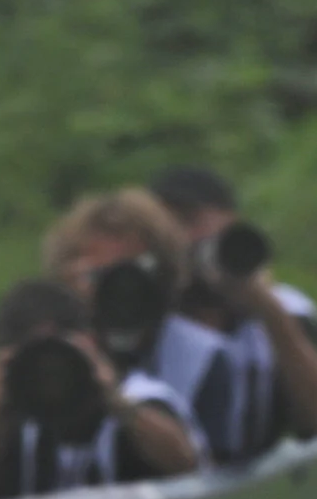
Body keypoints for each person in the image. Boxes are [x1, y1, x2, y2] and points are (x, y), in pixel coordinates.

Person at [148, 164, 317, 461]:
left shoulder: (287, 309)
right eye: (168, 228)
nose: (183, 239)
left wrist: (263, 305)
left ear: (232, 223)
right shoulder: (149, 319)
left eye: (191, 221)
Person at [42, 189, 243, 469]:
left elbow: (213, 478)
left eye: (132, 274)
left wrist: (116, 400)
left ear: (162, 273)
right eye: (102, 277)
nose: (119, 290)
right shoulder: (54, 357)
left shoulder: (205, 356)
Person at [0, 278, 203, 499]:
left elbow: (187, 466)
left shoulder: (140, 398)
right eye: (34, 364)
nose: (48, 376)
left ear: (90, 342)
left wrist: (115, 400)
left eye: (55, 358)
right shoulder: (19, 420)